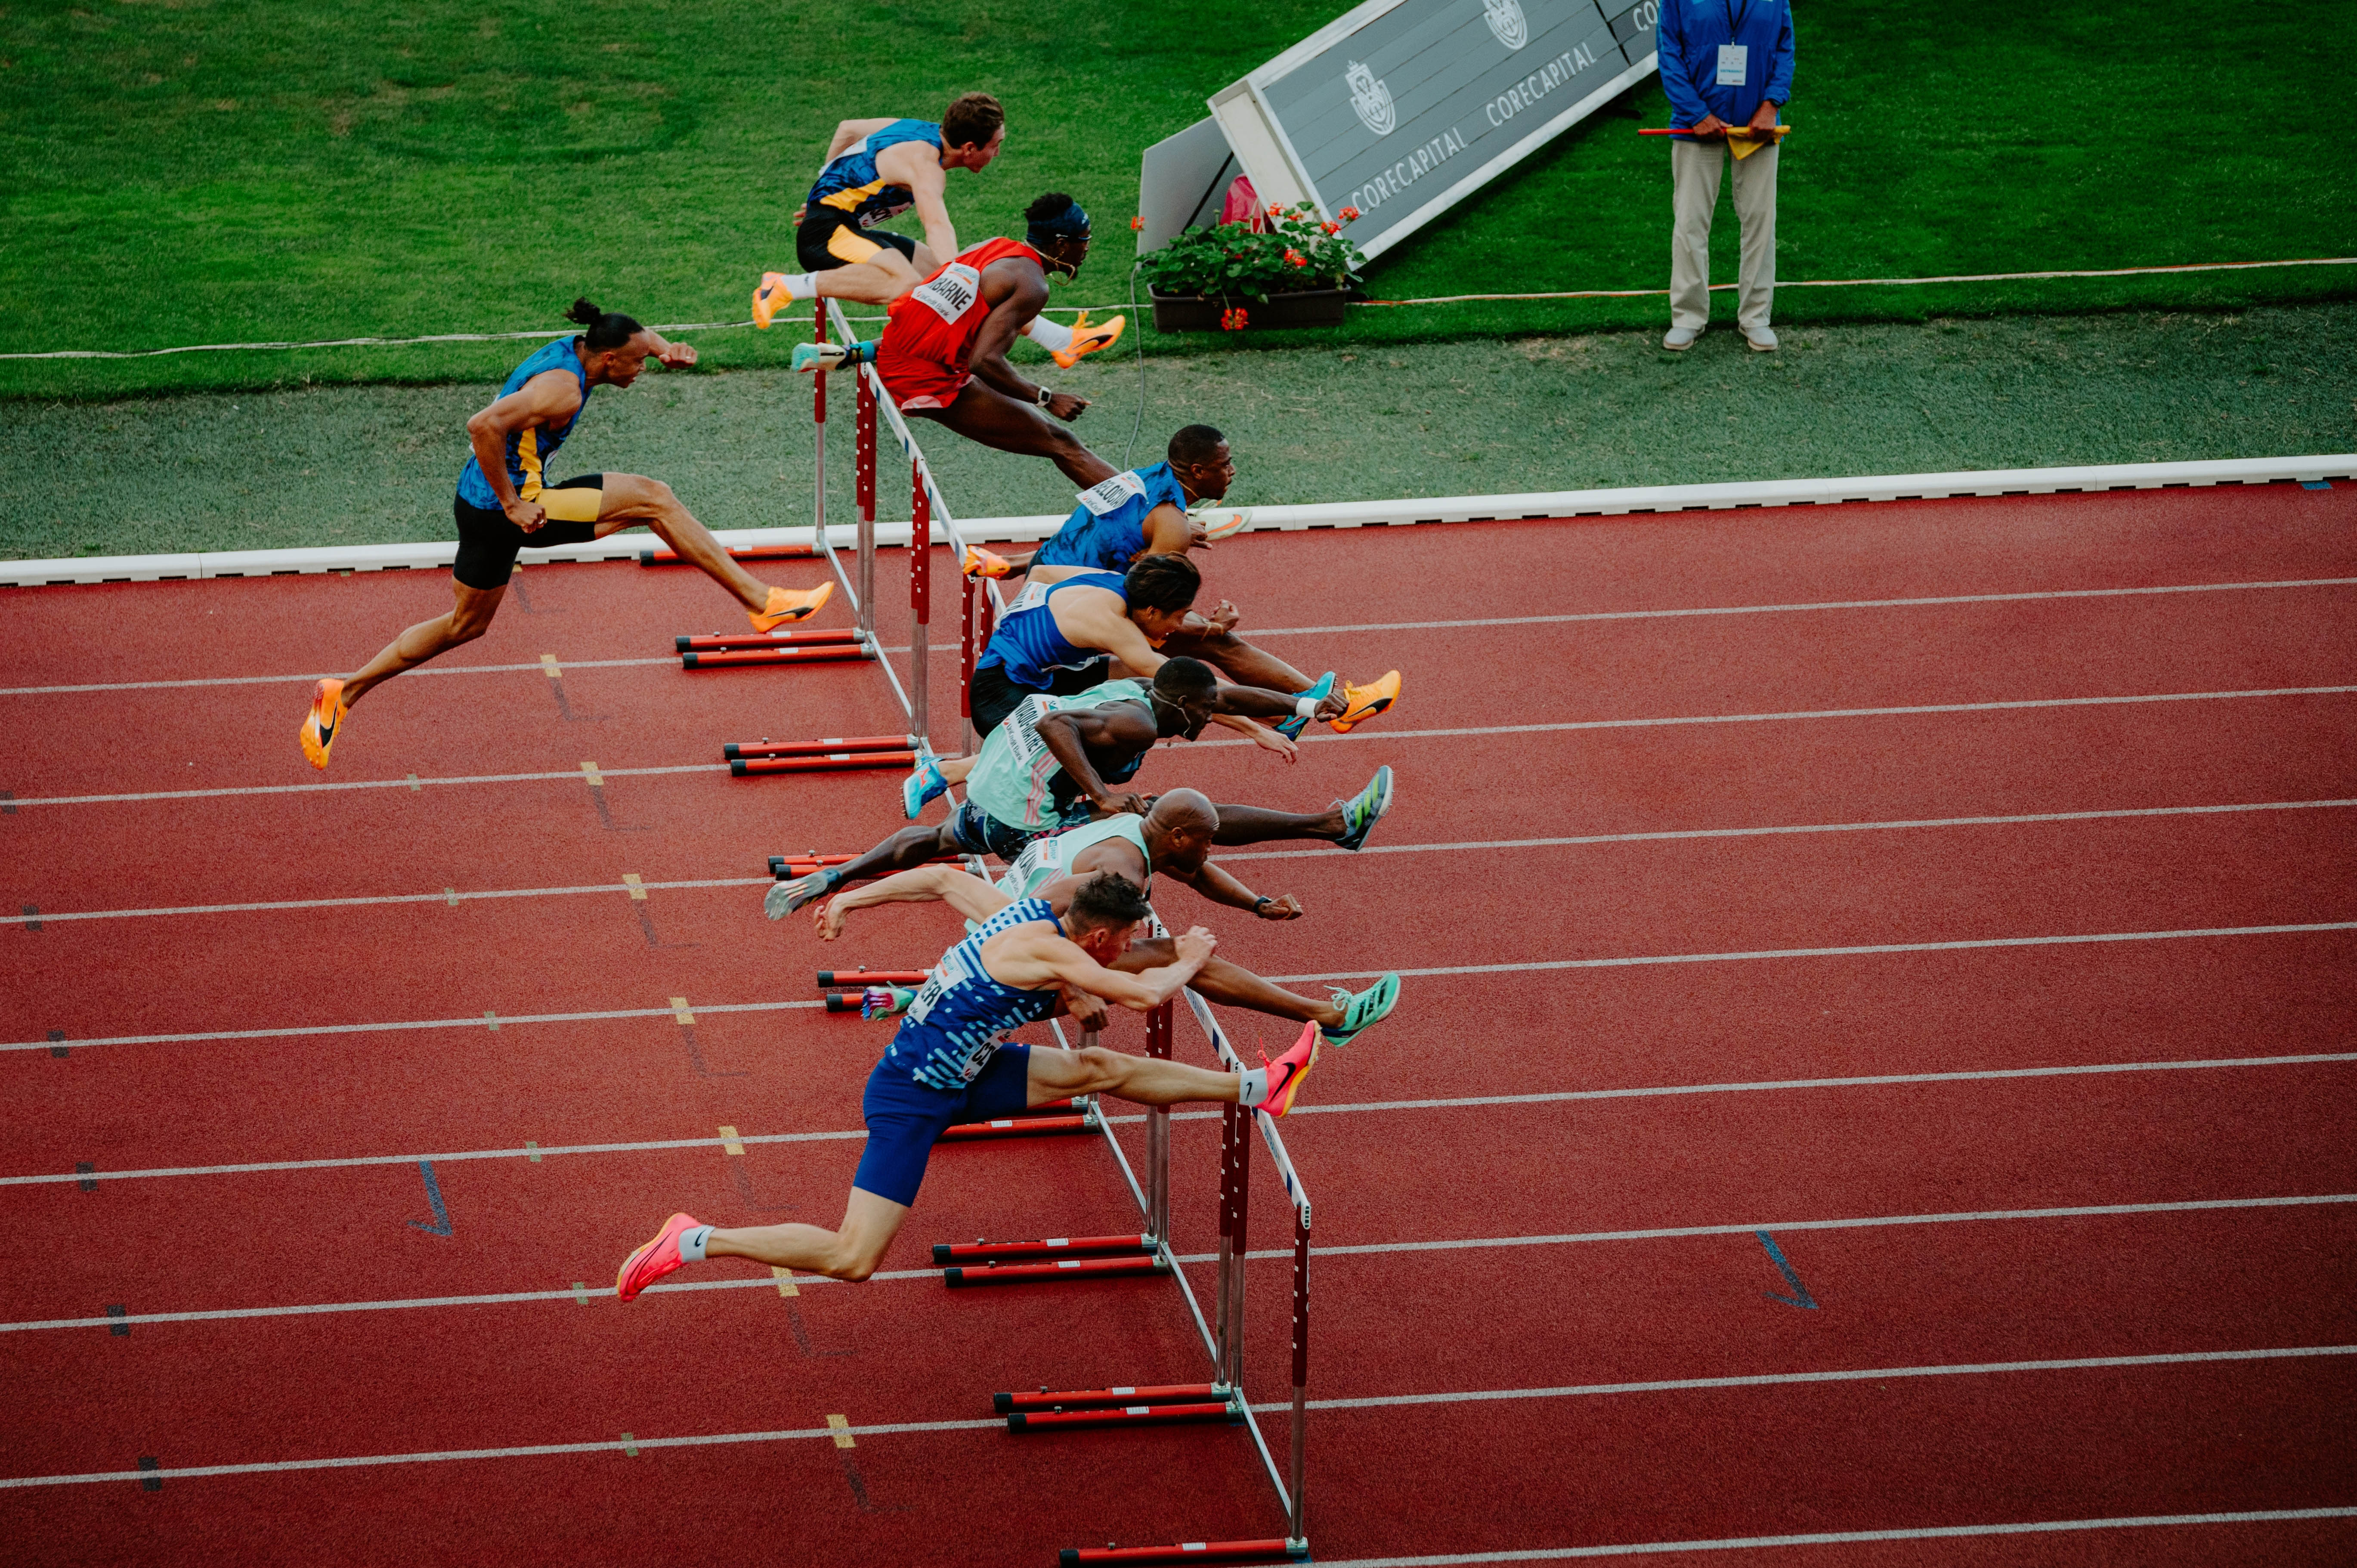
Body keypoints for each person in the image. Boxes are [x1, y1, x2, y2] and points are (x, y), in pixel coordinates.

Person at [615, 872, 1321, 1293]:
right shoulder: (1043, 947)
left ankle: (1261, 1088)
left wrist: (850, 897)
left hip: (973, 1072)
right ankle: (697, 1237)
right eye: (1123, 940)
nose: (1124, 949)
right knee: (854, 1258)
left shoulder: (1024, 908)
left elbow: (942, 879)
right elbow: (1142, 994)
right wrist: (1189, 955)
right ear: (1102, 938)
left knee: (1100, 1068)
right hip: (911, 1098)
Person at [297, 300, 831, 770]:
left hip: (481, 501)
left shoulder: (595, 343)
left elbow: (640, 335)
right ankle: (761, 601)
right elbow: (482, 425)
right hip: (510, 509)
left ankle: (342, 693)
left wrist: (666, 350)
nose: (642, 370)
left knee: (465, 625)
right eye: (638, 364)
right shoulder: (561, 391)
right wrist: (514, 503)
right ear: (606, 361)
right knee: (656, 498)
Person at [810, 791, 1403, 1047]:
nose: (1211, 850)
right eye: (1208, 841)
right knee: (1178, 961)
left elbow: (1197, 873)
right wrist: (1070, 982)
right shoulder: (1120, 866)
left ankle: (905, 999)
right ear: (1177, 837)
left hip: (994, 953)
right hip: (1010, 967)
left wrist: (1253, 903)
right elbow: (1035, 906)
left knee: (1171, 958)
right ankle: (1330, 1016)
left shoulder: (1136, 834)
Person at [789, 194, 1126, 487]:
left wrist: (861, 353)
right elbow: (983, 362)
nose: (1088, 246)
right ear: (1062, 244)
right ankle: (1149, 514)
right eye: (1086, 238)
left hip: (899, 348)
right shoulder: (1032, 286)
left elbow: (933, 319)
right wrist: (1048, 398)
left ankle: (849, 354)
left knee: (1057, 439)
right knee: (1062, 442)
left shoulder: (990, 247)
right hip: (926, 380)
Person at [965, 552, 1398, 748]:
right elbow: (1192, 691)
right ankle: (950, 776)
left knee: (1119, 674)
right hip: (999, 698)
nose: (1177, 626)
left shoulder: (1111, 582)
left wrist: (1029, 630)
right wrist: (1252, 731)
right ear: (1149, 608)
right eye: (1177, 616)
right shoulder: (1112, 626)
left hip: (1036, 673)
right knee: (1137, 712)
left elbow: (1039, 570)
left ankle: (1301, 713)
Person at [1658, 0, 1794, 353]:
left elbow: (1784, 47)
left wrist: (1772, 104)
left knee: (1761, 222)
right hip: (1695, 125)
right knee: (1690, 221)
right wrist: (1696, 113)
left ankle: (1756, 317)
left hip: (1758, 127)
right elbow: (1669, 53)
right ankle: (1687, 318)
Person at [958, 423, 1241, 581]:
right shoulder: (1170, 521)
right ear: (1198, 471)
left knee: (1107, 531)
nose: (1233, 471)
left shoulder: (1148, 476)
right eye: (1226, 464)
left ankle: (1011, 563)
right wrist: (1210, 627)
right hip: (1062, 592)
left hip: (1047, 560)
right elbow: (1147, 599)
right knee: (1208, 641)